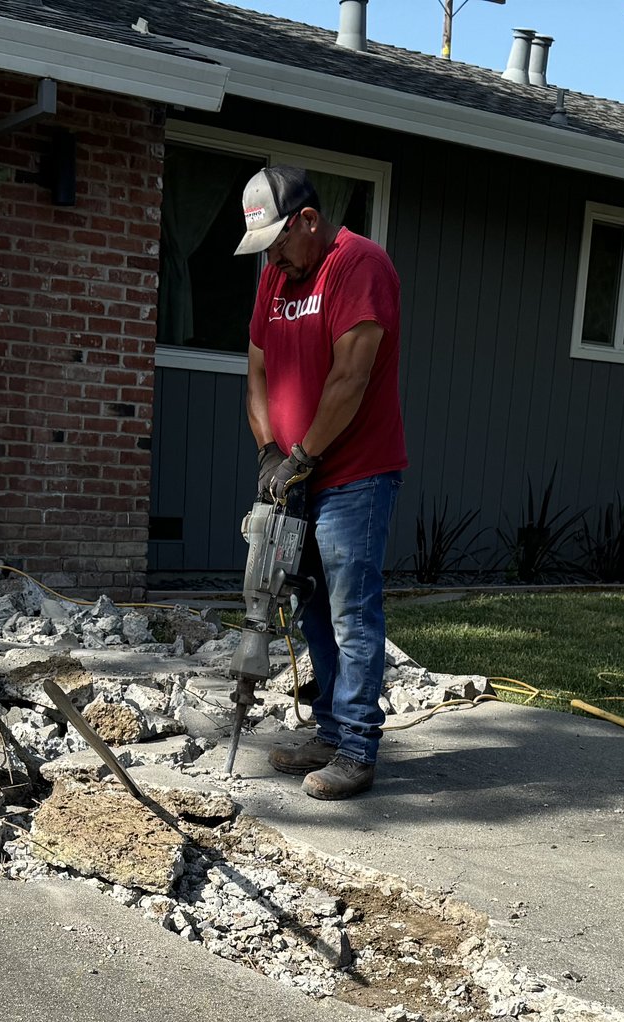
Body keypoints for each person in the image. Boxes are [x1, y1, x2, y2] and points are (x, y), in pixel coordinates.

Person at [238, 164, 406, 800]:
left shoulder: (359, 266)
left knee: (351, 609)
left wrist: (302, 455)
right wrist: (268, 453)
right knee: (308, 604)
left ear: (307, 220)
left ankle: (359, 746)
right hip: (294, 471)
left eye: (278, 244)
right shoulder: (276, 278)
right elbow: (255, 373)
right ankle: (332, 730)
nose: (273, 262)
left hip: (354, 476)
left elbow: (350, 379)